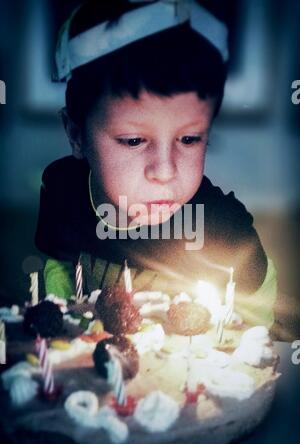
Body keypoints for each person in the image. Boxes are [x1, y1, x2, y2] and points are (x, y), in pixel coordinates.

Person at [35, 0, 277, 327]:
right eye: (134, 140)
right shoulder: (64, 192)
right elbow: (60, 269)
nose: (165, 172)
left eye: (189, 139)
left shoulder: (223, 229)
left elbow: (259, 313)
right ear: (77, 136)